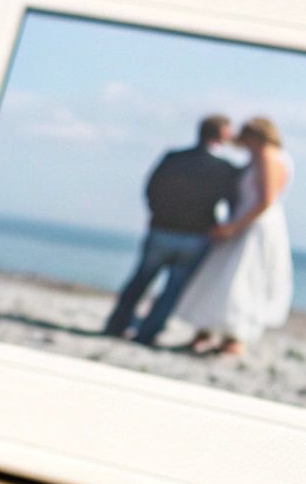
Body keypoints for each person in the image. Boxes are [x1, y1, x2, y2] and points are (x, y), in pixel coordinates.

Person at [102, 115, 242, 345]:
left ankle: (116, 325)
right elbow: (233, 203)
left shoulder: (174, 158)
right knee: (171, 290)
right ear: (222, 135)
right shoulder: (224, 169)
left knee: (140, 281)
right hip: (196, 235)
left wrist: (159, 214)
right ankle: (147, 334)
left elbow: (151, 188)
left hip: (161, 230)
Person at [174, 117, 295, 356]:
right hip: (253, 222)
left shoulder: (266, 155)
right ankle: (211, 332)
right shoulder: (276, 156)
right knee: (228, 275)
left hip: (253, 224)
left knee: (240, 278)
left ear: (256, 136)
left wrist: (234, 226)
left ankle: (233, 336)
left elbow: (266, 200)